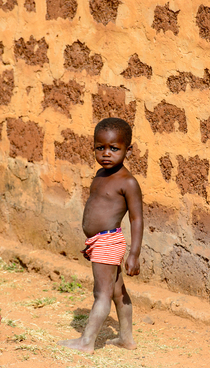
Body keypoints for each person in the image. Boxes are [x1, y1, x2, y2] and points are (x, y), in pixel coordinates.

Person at [57, 117, 143, 354]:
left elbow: (136, 219)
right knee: (117, 291)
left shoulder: (128, 182)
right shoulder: (100, 174)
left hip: (108, 240)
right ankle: (126, 338)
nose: (106, 154)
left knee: (101, 293)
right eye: (100, 147)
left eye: (114, 148)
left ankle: (86, 342)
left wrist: (134, 253)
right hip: (100, 241)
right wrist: (92, 244)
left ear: (128, 149)